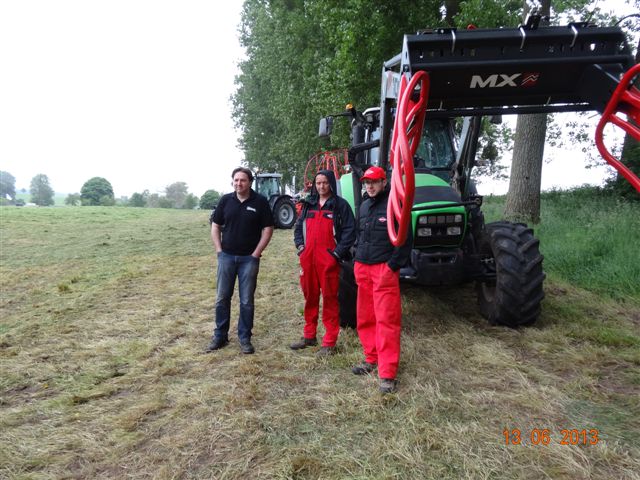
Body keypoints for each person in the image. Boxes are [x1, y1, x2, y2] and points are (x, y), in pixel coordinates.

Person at [351, 166, 412, 393]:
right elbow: (359, 235)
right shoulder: (364, 206)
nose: (370, 186)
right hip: (363, 269)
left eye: (374, 182)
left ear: (384, 182)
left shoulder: (395, 204)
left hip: (383, 270)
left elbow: (405, 239)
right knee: (365, 317)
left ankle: (387, 373)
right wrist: (357, 259)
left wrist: (391, 266)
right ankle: (371, 358)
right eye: (367, 182)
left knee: (387, 321)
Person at [206, 167, 274, 354]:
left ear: (250, 182)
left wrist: (256, 253)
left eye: (242, 180)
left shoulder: (260, 202)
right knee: (222, 298)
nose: (238, 183)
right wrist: (219, 250)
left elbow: (268, 229)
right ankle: (220, 336)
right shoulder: (225, 200)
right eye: (236, 180)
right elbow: (215, 225)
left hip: (248, 260)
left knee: (246, 301)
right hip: (226, 257)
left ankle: (244, 338)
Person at [291, 170, 356, 356]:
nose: (321, 186)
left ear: (331, 184)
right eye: (318, 183)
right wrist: (301, 248)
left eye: (325, 183)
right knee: (310, 297)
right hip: (308, 260)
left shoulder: (340, 205)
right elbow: (298, 228)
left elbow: (350, 232)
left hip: (328, 261)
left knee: (330, 299)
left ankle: (329, 342)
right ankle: (309, 335)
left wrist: (336, 254)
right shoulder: (308, 205)